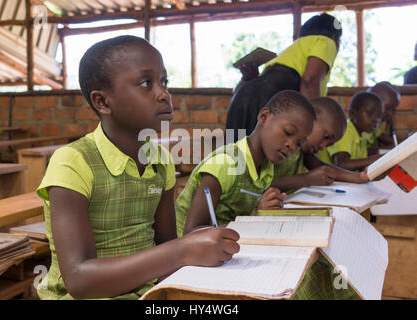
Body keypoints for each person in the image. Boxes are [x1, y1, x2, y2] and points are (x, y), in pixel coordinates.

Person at [35, 35, 240, 300]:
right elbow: (79, 279)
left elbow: (166, 246)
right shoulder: (73, 163)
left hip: (146, 291)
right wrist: (183, 250)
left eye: (164, 82)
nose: (164, 94)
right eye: (146, 83)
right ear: (102, 102)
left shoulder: (160, 161)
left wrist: (197, 247)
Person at [176, 90, 316, 237]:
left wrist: (265, 209)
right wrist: (255, 219)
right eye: (288, 132)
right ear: (264, 117)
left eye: (299, 143)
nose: (291, 145)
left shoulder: (265, 169)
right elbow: (191, 233)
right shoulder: (226, 165)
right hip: (189, 254)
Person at [226, 13, 342, 141]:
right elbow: (309, 81)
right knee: (257, 156)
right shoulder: (326, 42)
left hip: (240, 99)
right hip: (267, 99)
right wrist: (311, 127)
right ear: (335, 37)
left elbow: (239, 91)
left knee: (233, 153)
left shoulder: (288, 52)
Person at [272, 97, 369, 193]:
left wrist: (358, 177)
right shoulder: (278, 140)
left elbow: (320, 166)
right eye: (326, 137)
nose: (323, 147)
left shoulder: (303, 150)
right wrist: (305, 179)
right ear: (313, 113)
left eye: (328, 145)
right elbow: (261, 186)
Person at [326, 91, 383, 171]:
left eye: (379, 116)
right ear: (352, 113)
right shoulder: (345, 130)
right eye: (370, 113)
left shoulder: (361, 136)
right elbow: (341, 165)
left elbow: (361, 168)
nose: (376, 120)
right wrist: (378, 158)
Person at [364, 81, 401, 150]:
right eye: (388, 108)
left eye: (393, 110)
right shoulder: (361, 126)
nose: (390, 113)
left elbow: (390, 141)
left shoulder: (377, 124)